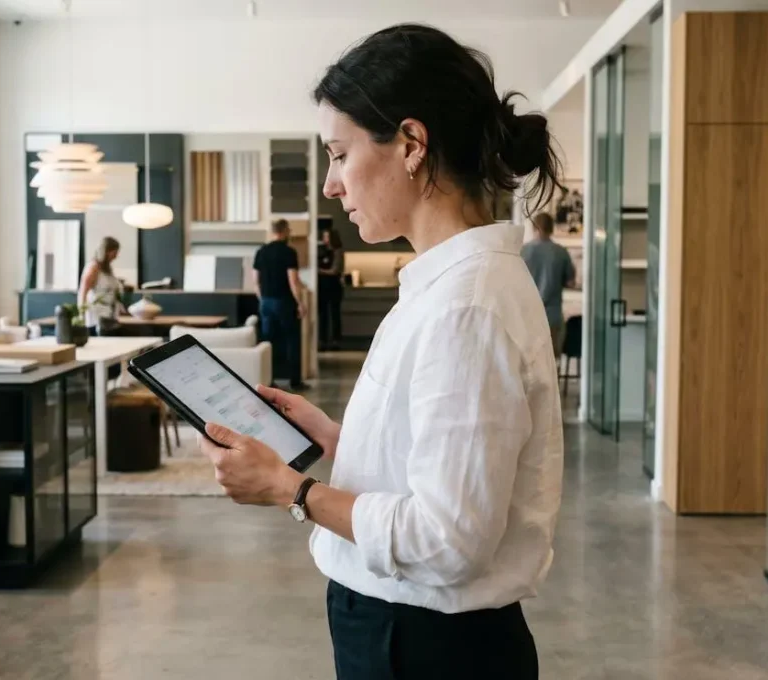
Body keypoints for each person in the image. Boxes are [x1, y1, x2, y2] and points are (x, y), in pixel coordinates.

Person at [199, 24, 564, 680]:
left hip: (423, 645)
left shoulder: (465, 306)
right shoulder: (452, 285)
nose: (331, 186)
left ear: (411, 144)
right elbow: (446, 459)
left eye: (340, 155)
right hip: (418, 633)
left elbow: (449, 540)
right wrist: (337, 438)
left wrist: (292, 488)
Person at [253, 219, 308, 390]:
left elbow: (255, 282)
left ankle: (269, 381)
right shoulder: (289, 252)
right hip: (284, 302)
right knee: (292, 340)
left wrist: (263, 300)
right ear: (284, 231)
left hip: (266, 303)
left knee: (268, 343)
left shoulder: (261, 251)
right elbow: (293, 280)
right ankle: (295, 381)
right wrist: (300, 303)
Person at [521, 212, 576, 357]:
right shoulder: (561, 252)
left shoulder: (523, 251)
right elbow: (571, 282)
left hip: (526, 315)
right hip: (552, 315)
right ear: (551, 228)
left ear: (534, 228)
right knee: (550, 363)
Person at [77, 236, 125, 334]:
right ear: (106, 251)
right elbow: (83, 292)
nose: (116, 256)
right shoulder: (93, 267)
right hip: (96, 317)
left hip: (108, 315)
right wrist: (81, 317)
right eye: (114, 253)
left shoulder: (107, 269)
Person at [316, 228, 346, 350]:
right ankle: (322, 340)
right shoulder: (321, 251)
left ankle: (335, 340)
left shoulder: (338, 252)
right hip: (322, 287)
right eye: (324, 237)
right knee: (322, 315)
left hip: (334, 287)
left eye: (327, 237)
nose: (324, 240)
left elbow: (335, 270)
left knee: (334, 314)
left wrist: (319, 271)